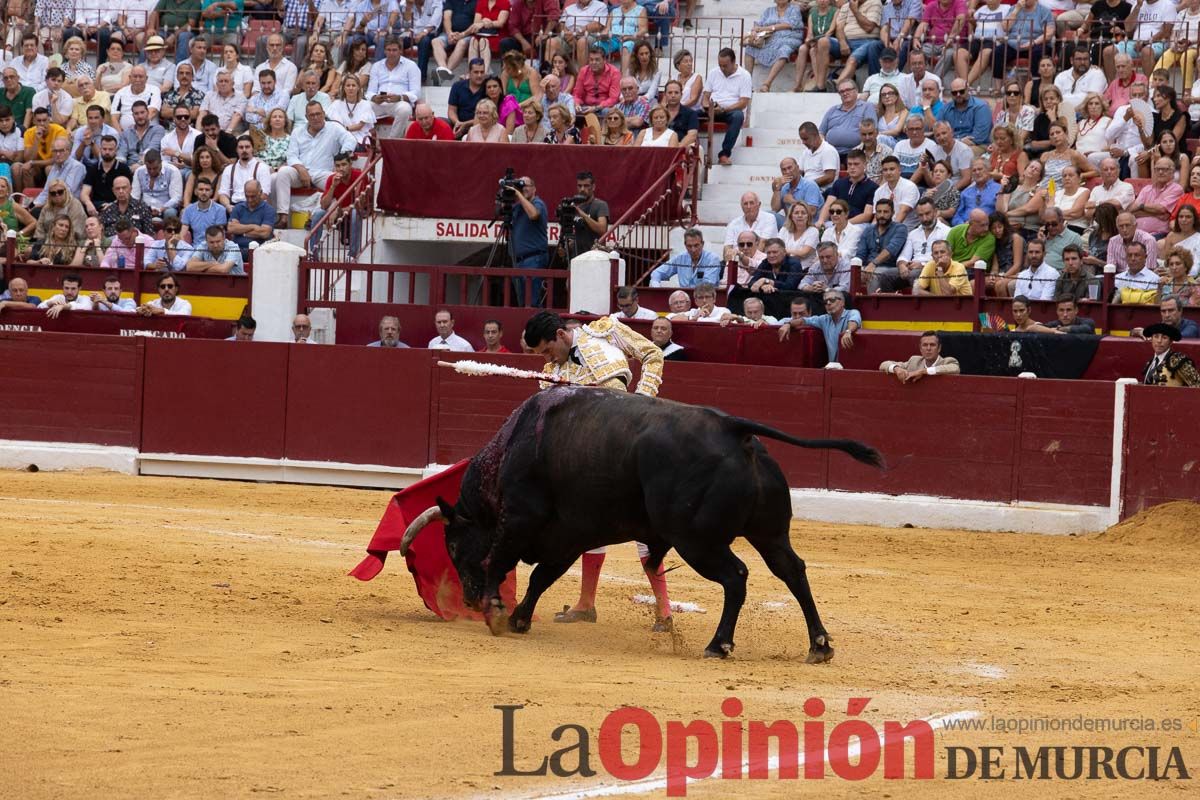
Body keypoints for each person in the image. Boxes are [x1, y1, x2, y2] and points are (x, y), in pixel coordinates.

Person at [521, 310, 671, 629]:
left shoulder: (605, 330)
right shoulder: (550, 374)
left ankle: (665, 612)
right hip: (593, 458)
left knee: (648, 525)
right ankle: (586, 603)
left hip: (633, 442)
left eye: (547, 350)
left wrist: (642, 404)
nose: (546, 359)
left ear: (560, 335)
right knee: (591, 527)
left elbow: (652, 354)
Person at [274, 103, 358, 228]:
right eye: (312, 115)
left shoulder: (334, 128)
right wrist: (301, 169)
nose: (315, 117)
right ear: (306, 117)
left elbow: (351, 140)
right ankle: (283, 216)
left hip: (324, 173)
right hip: (301, 172)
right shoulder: (298, 131)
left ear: (324, 114)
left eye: (318, 114)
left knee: (336, 181)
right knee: (282, 173)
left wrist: (340, 158)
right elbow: (291, 155)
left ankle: (315, 218)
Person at [778, 289, 861, 362]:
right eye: (825, 302)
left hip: (852, 365)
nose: (828, 303)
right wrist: (788, 324)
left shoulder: (852, 312)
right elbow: (803, 320)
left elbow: (854, 321)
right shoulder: (823, 319)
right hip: (833, 366)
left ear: (842, 302)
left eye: (832, 300)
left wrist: (848, 331)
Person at [701, 47, 752, 166]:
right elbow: (705, 96)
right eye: (720, 65)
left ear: (734, 62)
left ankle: (724, 154)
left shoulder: (744, 75)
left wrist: (724, 109)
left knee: (738, 116)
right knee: (691, 114)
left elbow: (743, 102)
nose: (722, 68)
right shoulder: (714, 72)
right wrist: (708, 107)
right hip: (713, 108)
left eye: (725, 65)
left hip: (731, 110)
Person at [743, 0, 805, 93]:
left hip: (789, 38)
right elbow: (758, 24)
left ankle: (766, 84)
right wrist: (754, 31)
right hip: (770, 39)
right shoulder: (768, 11)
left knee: (784, 50)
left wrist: (768, 28)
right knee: (750, 48)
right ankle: (747, 84)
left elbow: (789, 24)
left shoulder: (794, 9)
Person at [367, 39, 422, 137]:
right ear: (384, 51)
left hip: (399, 103)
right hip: (380, 102)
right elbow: (370, 91)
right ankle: (369, 141)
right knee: (363, 107)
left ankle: (390, 142)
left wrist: (400, 97)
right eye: (388, 50)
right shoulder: (376, 66)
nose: (391, 53)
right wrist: (375, 97)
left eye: (394, 50)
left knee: (404, 110)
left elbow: (416, 92)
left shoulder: (411, 66)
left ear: (400, 51)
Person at [509, 175, 550, 305]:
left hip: (534, 258)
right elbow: (500, 212)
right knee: (522, 303)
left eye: (526, 186)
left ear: (534, 189)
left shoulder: (537, 203)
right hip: (519, 261)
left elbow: (533, 214)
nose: (523, 189)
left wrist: (518, 194)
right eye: (521, 186)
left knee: (532, 302)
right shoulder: (517, 208)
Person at [858, 197, 908, 292]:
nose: (882, 215)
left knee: (875, 274)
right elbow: (861, 253)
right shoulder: (868, 230)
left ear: (892, 213)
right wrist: (859, 268)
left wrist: (873, 264)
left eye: (885, 212)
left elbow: (891, 250)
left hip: (890, 268)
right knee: (852, 273)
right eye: (879, 212)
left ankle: (872, 305)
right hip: (868, 266)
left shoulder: (900, 228)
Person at [821, 80, 878, 156]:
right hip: (831, 153)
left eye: (848, 90)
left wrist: (858, 150)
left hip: (857, 153)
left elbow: (872, 130)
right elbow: (821, 133)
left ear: (856, 91)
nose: (845, 93)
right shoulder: (832, 110)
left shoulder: (867, 107)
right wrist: (825, 149)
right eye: (841, 91)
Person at [1132, 156, 1184, 237]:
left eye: (1164, 169)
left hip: (1159, 233)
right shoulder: (1146, 189)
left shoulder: (1176, 189)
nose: (1160, 172)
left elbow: (1161, 209)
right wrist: (1155, 214)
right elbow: (1133, 211)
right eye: (1157, 169)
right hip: (1136, 232)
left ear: (1172, 172)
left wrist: (1141, 206)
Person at [651, 228, 722, 287]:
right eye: (689, 246)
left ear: (702, 244)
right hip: (683, 299)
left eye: (696, 245)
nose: (693, 250)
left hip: (704, 298)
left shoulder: (712, 259)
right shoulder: (680, 258)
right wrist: (656, 286)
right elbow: (657, 273)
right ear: (685, 245)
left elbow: (707, 286)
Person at [879, 330, 961, 382]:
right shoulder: (914, 361)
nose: (928, 348)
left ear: (939, 348)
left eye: (932, 345)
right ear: (920, 349)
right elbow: (883, 364)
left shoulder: (947, 361)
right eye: (925, 345)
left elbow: (955, 368)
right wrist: (896, 369)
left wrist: (923, 371)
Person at [131, 148, 184, 222]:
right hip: (145, 208)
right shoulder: (139, 171)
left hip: (165, 208)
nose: (152, 171)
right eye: (149, 168)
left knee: (170, 213)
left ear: (161, 163)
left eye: (155, 168)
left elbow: (176, 198)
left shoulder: (173, 171)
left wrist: (161, 209)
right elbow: (134, 196)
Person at [722, 191, 778, 260]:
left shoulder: (769, 218)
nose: (749, 207)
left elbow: (762, 244)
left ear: (759, 204)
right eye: (745, 204)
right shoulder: (733, 224)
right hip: (737, 262)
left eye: (751, 203)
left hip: (761, 263)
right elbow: (727, 248)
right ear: (741, 206)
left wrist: (749, 262)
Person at [565, 171, 609, 256]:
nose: (582, 189)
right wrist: (570, 243)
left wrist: (583, 215)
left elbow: (602, 230)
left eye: (586, 186)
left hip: (594, 257)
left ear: (593, 187)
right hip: (577, 257)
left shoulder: (600, 205)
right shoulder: (575, 206)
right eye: (579, 186)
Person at [938, 79, 991, 147]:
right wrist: (959, 141)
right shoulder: (945, 109)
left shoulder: (981, 107)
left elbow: (979, 137)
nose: (958, 95)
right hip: (950, 145)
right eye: (954, 93)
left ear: (968, 89)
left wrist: (952, 141)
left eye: (961, 91)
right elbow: (938, 131)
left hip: (976, 146)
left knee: (965, 154)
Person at [770, 157, 823, 225]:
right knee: (770, 215)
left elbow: (812, 211)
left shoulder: (810, 185)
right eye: (784, 169)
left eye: (790, 168)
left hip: (809, 224)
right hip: (791, 224)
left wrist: (792, 201)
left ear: (797, 168)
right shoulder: (784, 187)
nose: (787, 172)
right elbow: (775, 209)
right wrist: (777, 190)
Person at [573, 45, 621, 116]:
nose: (593, 62)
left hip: (604, 107)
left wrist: (596, 108)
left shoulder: (614, 72)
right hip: (586, 106)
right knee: (570, 109)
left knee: (607, 112)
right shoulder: (583, 71)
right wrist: (577, 104)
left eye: (597, 60)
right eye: (591, 60)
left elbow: (613, 98)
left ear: (605, 60)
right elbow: (577, 94)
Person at [952, 159, 1002, 226]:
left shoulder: (999, 189)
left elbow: (1001, 214)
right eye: (974, 170)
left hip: (988, 227)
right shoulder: (966, 192)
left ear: (988, 170)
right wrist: (962, 225)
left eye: (980, 169)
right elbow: (957, 215)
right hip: (966, 229)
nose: (977, 172)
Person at [1132, 297, 1200, 338]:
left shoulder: (1191, 326)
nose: (1167, 315)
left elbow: (1180, 337)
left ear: (1180, 311)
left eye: (1171, 310)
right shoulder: (1160, 326)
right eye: (1163, 311)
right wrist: (1136, 332)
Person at [797, 121, 840, 188]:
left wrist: (807, 185)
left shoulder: (828, 150)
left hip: (821, 191)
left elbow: (830, 177)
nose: (803, 142)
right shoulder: (806, 152)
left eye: (805, 139)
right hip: (806, 189)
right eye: (802, 139)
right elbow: (799, 172)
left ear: (815, 135)